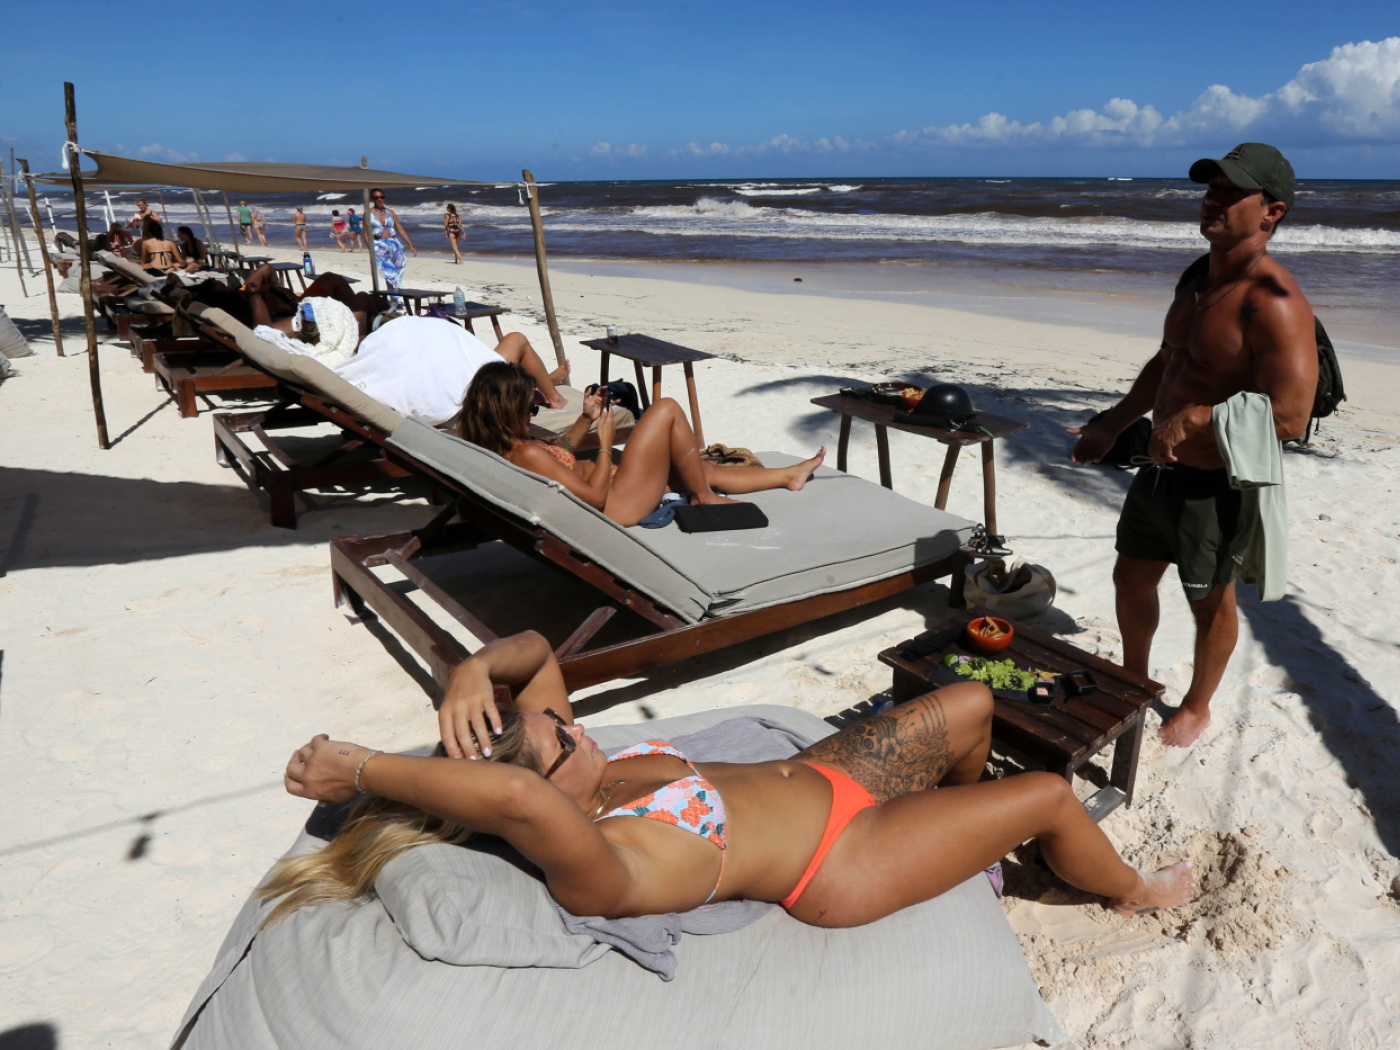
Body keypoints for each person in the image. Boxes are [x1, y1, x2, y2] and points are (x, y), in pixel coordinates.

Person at [271, 630, 1196, 929]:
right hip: (838, 858)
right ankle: (1130, 895)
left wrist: (470, 670)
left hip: (823, 773)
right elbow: (511, 798)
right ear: (541, 802)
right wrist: (359, 766)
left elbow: (539, 653)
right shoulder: (601, 858)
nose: (571, 724)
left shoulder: (580, 770)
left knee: (970, 704)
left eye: (555, 719)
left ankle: (965, 839)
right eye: (559, 739)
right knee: (1044, 796)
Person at [1067, 143, 1317, 748]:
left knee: (1209, 602)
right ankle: (1132, 675)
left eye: (1233, 194)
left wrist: (1203, 417)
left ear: (1271, 213)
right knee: (1131, 578)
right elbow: (1168, 361)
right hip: (1158, 470)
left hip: (1216, 482)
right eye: (1212, 188)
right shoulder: (1197, 277)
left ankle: (1198, 704)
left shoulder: (1274, 301)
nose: (1214, 200)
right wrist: (1114, 422)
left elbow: (1290, 417)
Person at [459, 362, 825, 527]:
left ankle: (789, 475)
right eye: (530, 404)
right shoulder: (526, 452)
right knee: (665, 409)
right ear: (506, 408)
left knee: (697, 469)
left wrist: (586, 419)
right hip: (615, 503)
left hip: (614, 490)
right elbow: (592, 500)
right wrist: (603, 444)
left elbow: (560, 458)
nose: (535, 409)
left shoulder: (503, 444)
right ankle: (704, 498)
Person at [368, 188, 417, 289]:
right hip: (378, 244)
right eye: (376, 197)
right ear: (372, 199)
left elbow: (400, 230)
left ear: (384, 198)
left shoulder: (391, 212)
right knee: (389, 272)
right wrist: (370, 248)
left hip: (394, 243)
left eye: (381, 197)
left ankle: (394, 300)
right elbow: (365, 233)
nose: (379, 199)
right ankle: (398, 295)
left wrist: (410, 244)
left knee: (399, 269)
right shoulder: (368, 213)